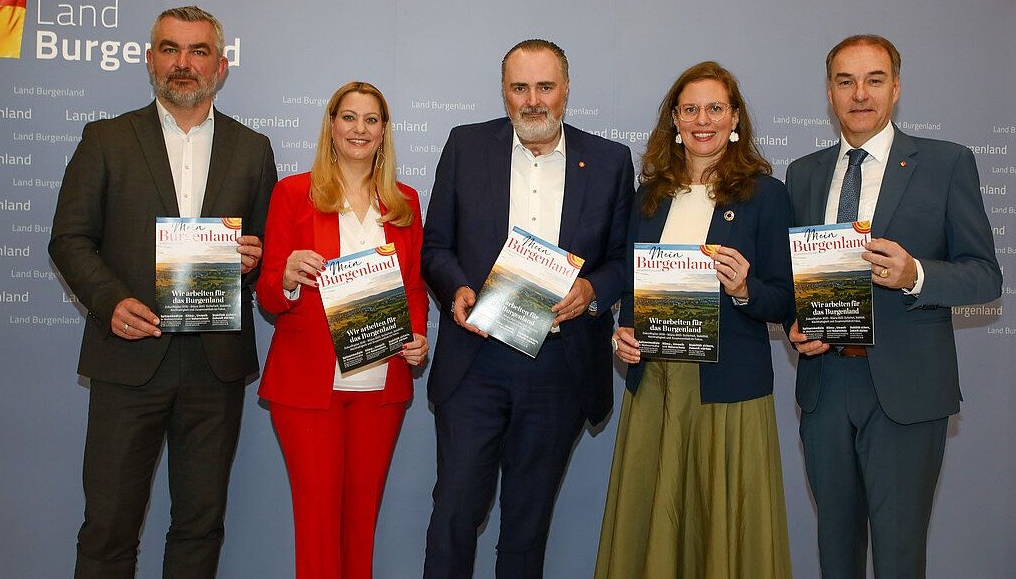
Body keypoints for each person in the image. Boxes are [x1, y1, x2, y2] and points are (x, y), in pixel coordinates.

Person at [48, 6, 277, 578]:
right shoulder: (105, 139)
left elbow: (265, 250)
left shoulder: (253, 149)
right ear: (149, 59)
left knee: (200, 527)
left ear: (220, 67)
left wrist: (252, 258)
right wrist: (107, 301)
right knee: (108, 526)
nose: (183, 63)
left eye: (198, 51)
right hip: (127, 359)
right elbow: (70, 237)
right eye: (170, 49)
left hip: (213, 366)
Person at [785, 35, 1002, 579]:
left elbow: (984, 276)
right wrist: (795, 321)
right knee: (836, 549)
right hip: (825, 386)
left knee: (900, 555)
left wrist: (916, 275)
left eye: (874, 79)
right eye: (845, 81)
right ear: (829, 92)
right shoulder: (803, 173)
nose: (860, 94)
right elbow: (796, 278)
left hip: (907, 392)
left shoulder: (946, 163)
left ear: (896, 88)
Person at [420, 39, 635, 579]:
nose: (533, 100)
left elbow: (622, 260)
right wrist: (455, 290)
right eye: (520, 87)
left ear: (566, 89)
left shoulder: (610, 161)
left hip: (558, 369)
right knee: (454, 512)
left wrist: (592, 292)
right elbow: (436, 247)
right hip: (477, 361)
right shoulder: (466, 147)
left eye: (545, 86)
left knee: (527, 525)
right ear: (504, 91)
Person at [596, 61, 794, 579]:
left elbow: (788, 300)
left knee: (721, 529)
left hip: (726, 392)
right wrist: (625, 335)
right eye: (690, 109)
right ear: (674, 122)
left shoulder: (765, 195)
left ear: (734, 119)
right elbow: (635, 289)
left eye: (714, 108)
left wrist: (747, 289)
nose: (701, 120)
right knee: (655, 521)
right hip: (656, 389)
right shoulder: (649, 197)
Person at [255, 81, 429, 579]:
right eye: (349, 117)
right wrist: (286, 276)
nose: (359, 128)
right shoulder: (293, 193)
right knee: (316, 524)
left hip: (381, 385)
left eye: (371, 119)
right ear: (331, 126)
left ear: (384, 132)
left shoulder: (404, 203)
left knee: (361, 523)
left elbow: (413, 287)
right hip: (308, 387)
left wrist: (417, 337)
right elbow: (268, 293)